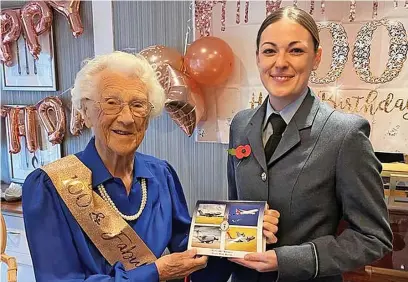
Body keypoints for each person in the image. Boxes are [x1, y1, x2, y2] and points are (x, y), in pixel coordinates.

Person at [226, 6, 393, 282]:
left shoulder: (345, 135)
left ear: (316, 58)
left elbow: (373, 237)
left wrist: (288, 259)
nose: (280, 62)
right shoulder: (241, 125)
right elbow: (235, 205)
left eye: (295, 51)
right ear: (257, 58)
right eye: (269, 51)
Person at [22, 51, 210, 282]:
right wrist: (155, 274)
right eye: (111, 103)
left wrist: (239, 236)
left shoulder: (161, 174)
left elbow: (190, 249)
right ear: (85, 112)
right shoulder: (49, 186)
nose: (127, 118)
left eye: (138, 105)